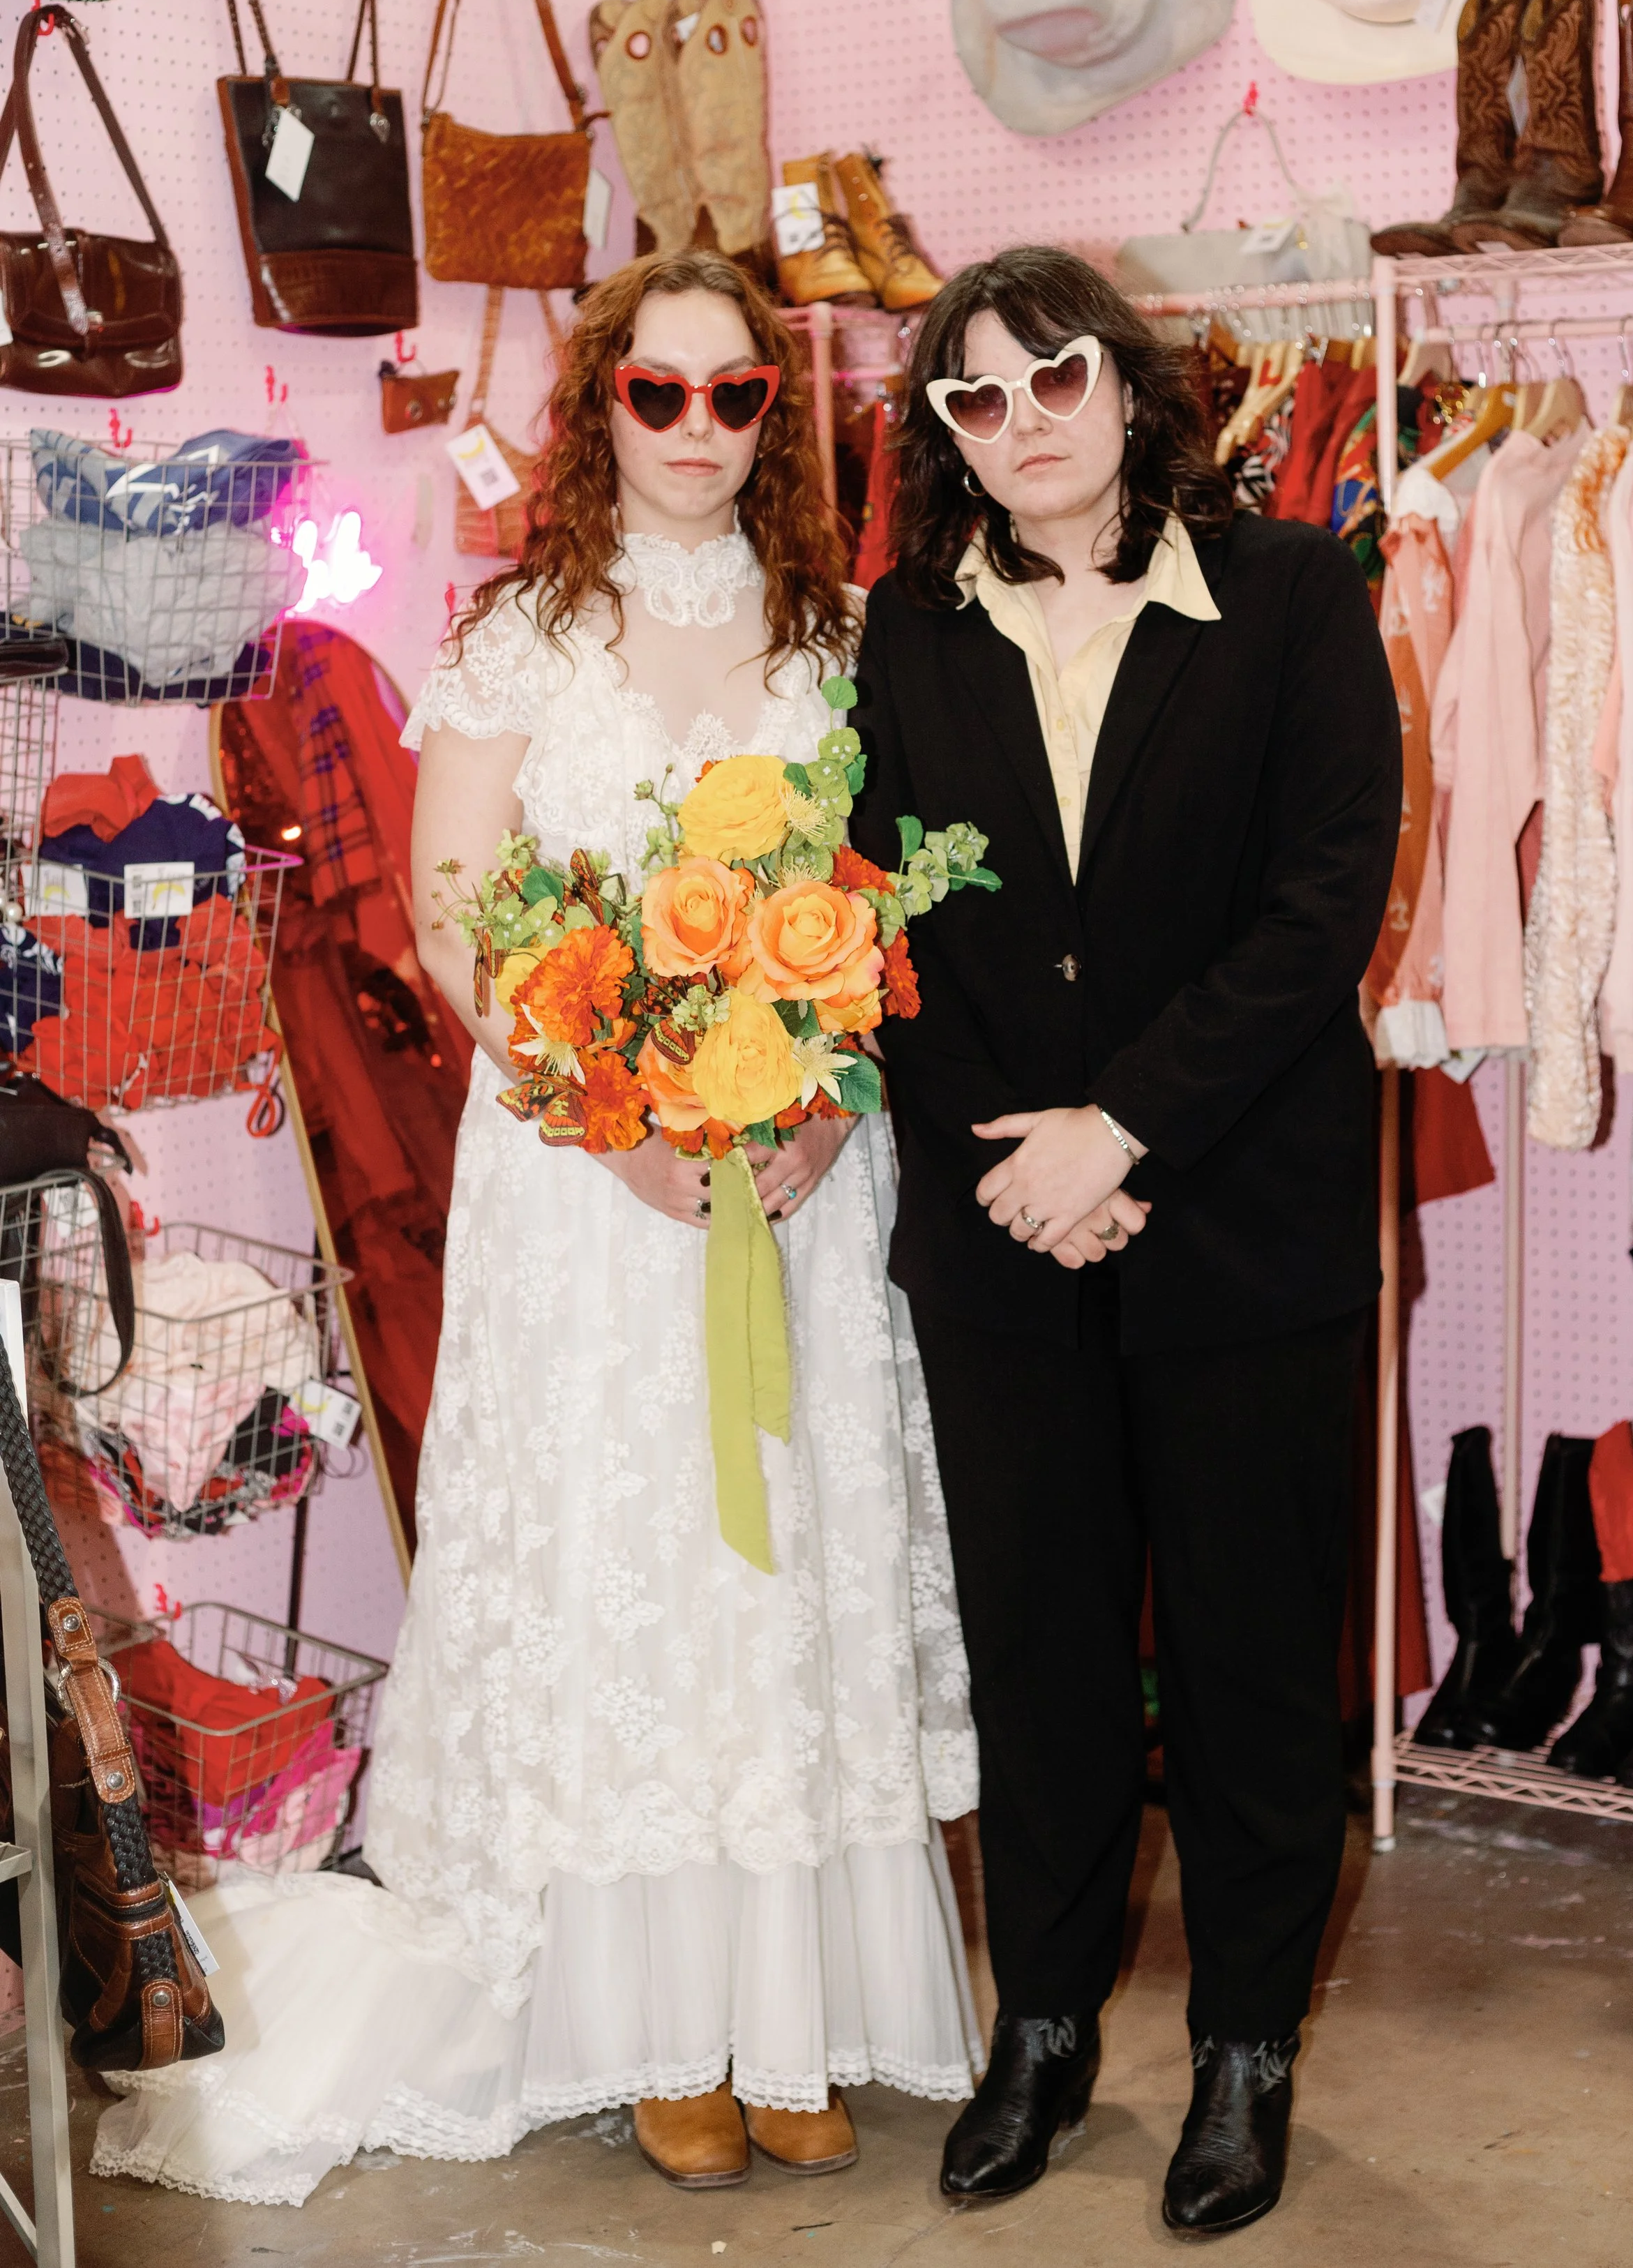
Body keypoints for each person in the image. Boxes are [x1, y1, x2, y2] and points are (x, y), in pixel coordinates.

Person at [91, 252, 979, 2206]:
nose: (695, 428)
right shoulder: (519, 636)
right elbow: (455, 911)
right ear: (600, 412)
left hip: (801, 1180)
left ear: (776, 415)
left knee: (784, 1551)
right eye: (656, 393)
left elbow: (880, 901)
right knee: (630, 1553)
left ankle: (787, 2007)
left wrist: (827, 1097)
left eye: (734, 394)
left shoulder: (841, 635)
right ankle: (651, 2026)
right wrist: (623, 1120)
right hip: (591, 1187)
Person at [852, 248, 1400, 2237]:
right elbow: (879, 920)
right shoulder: (910, 627)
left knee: (1253, 1661)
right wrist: (1023, 1167)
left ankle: (1245, 2046)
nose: (1022, 424)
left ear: (1126, 378)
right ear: (942, 438)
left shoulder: (1289, 594)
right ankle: (1046, 2022)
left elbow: (1323, 900)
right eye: (973, 400)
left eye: (1054, 376)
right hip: (1004, 1230)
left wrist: (1125, 1129)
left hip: (1241, 1222)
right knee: (1042, 1658)